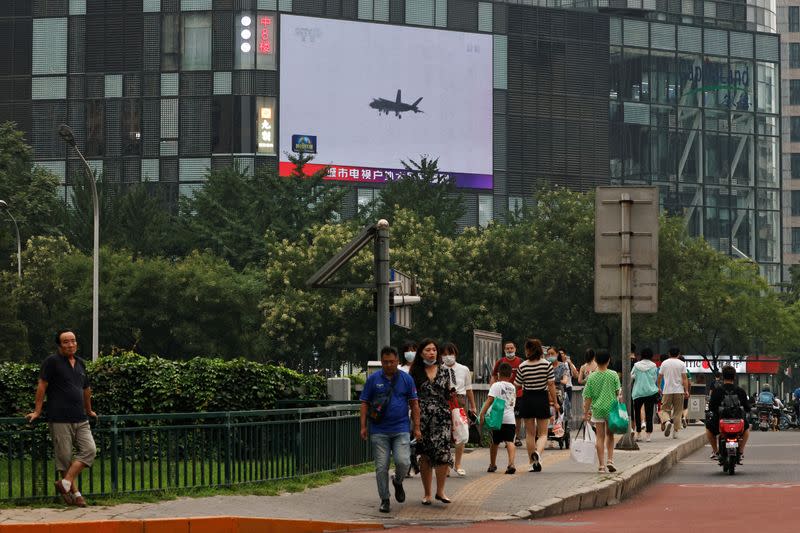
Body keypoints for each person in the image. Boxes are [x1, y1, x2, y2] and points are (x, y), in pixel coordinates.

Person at [26, 329, 97, 508]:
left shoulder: (81, 363)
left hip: (80, 418)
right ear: (59, 345)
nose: (70, 344)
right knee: (64, 458)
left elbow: (86, 389)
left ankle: (63, 484)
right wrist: (37, 411)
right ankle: (76, 494)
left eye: (73, 341)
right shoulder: (52, 362)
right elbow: (42, 385)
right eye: (66, 342)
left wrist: (89, 410)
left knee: (90, 450)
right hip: (59, 418)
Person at [360, 346, 421, 513]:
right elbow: (364, 402)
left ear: (398, 361)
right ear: (381, 362)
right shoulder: (373, 379)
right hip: (379, 430)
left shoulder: (406, 379)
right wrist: (363, 426)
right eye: (385, 362)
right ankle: (385, 499)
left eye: (392, 362)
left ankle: (398, 481)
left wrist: (417, 427)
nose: (388, 365)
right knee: (381, 467)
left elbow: (414, 404)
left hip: (401, 428)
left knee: (404, 462)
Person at [409, 338, 453, 505]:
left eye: (434, 349)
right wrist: (416, 424)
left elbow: (449, 395)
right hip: (423, 418)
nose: (431, 352)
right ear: (421, 353)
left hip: (442, 418)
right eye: (427, 350)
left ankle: (440, 491)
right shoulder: (415, 373)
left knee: (443, 455)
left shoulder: (444, 371)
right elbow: (412, 400)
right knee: (425, 455)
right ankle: (427, 493)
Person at [515, 338, 559, 473]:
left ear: (528, 350)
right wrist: (556, 402)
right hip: (541, 398)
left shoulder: (522, 366)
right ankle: (538, 455)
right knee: (543, 433)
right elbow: (551, 384)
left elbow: (517, 385)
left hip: (527, 398)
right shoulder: (546, 365)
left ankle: (531, 463)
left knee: (529, 433)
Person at [582, 349, 621, 473]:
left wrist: (586, 412)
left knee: (600, 437)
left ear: (596, 361)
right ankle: (610, 460)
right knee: (610, 435)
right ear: (608, 360)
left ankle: (601, 466)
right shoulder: (613, 374)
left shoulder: (592, 376)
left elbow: (587, 397)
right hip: (611, 409)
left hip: (597, 409)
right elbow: (617, 393)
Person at [440, 342, 476, 477]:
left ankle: (458, 464)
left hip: (460, 401)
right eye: (444, 354)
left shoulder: (464, 369)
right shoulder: (438, 369)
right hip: (444, 401)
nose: (448, 357)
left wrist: (473, 406)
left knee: (461, 433)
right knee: (446, 434)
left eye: (450, 353)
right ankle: (446, 464)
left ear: (455, 354)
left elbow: (469, 388)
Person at [705, 365, 750, 461]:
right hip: (738, 421)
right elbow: (747, 407)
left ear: (722, 377)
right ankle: (741, 451)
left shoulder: (717, 391)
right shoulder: (740, 391)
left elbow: (711, 407)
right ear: (734, 377)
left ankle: (715, 451)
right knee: (746, 429)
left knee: (708, 429)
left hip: (720, 421)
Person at [479, 362, 517, 474]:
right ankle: (511, 464)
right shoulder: (512, 387)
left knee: (495, 442)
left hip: (498, 419)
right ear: (510, 375)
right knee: (510, 441)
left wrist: (482, 413)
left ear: (499, 374)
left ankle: (492, 465)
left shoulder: (496, 385)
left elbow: (490, 400)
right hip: (510, 419)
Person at [491, 341, 524, 447]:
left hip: (517, 393)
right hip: (502, 395)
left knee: (517, 417)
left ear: (515, 349)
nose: (509, 350)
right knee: (501, 414)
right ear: (504, 350)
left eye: (511, 348)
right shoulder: (500, 361)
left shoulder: (520, 361)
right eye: (507, 348)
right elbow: (493, 375)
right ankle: (503, 437)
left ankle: (516, 437)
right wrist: (492, 387)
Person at [658, 347, 689, 439]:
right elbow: (684, 378)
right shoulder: (682, 363)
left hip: (667, 391)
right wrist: (686, 390)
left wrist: (659, 387)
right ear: (679, 354)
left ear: (669, 354)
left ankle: (667, 421)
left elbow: (660, 377)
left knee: (664, 409)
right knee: (678, 412)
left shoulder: (664, 363)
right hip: (679, 391)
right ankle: (676, 432)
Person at [631, 348, 659, 442]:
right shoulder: (654, 365)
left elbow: (631, 376)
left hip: (638, 392)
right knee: (649, 414)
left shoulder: (636, 365)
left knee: (637, 413)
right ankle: (648, 436)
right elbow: (654, 378)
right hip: (650, 392)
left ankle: (638, 434)